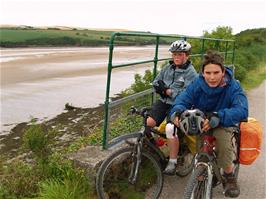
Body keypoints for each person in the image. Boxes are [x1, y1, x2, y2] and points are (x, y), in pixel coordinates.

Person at [165, 50, 248, 198]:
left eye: (216, 72)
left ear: (223, 72)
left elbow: (242, 110)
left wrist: (220, 116)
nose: (212, 77)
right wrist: (177, 111)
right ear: (202, 73)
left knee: (223, 142)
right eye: (208, 73)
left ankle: (229, 176)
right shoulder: (197, 83)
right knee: (201, 151)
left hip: (223, 120)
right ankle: (202, 172)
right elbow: (183, 99)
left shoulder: (232, 86)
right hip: (202, 121)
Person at [145, 39, 197, 161]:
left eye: (180, 54)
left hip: (178, 105)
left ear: (187, 55)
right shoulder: (168, 68)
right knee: (148, 123)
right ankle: (155, 147)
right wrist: (163, 89)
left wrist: (168, 91)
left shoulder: (191, 72)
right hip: (163, 102)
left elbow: (186, 93)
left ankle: (172, 161)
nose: (176, 57)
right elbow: (156, 82)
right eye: (174, 54)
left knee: (170, 129)